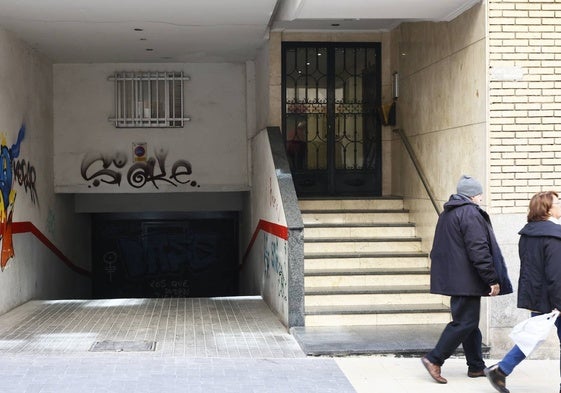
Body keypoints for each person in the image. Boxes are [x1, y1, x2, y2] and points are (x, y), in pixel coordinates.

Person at [421, 175, 513, 384]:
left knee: (470, 323)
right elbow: (478, 249)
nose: (481, 197)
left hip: (457, 278)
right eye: (479, 194)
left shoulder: (448, 213)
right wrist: (491, 278)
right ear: (473, 195)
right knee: (465, 322)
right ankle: (434, 359)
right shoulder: (470, 213)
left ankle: (476, 366)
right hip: (466, 279)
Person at [485, 191, 561, 393]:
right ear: (548, 209)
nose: (560, 205)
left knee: (534, 337)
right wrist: (559, 304)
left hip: (538, 296)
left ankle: (501, 369)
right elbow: (556, 274)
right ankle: (501, 369)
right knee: (534, 337)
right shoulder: (554, 236)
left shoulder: (528, 233)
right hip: (555, 299)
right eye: (557, 202)